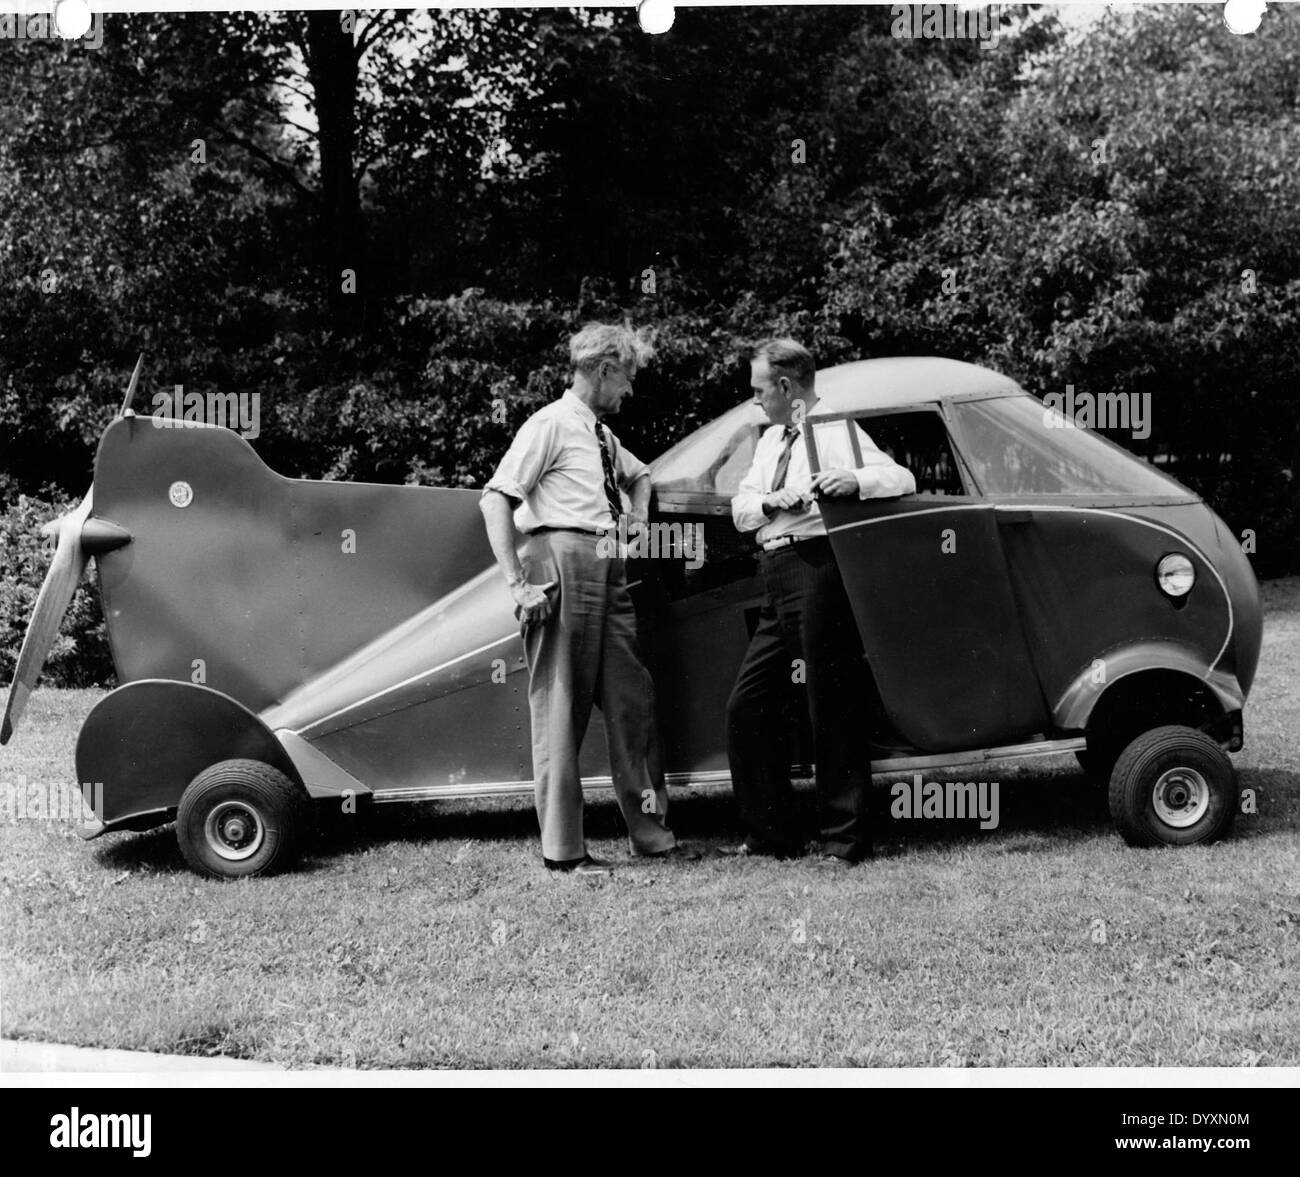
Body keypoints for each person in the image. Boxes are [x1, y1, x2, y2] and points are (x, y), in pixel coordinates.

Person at [479, 323, 688, 875]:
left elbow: (641, 477)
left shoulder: (599, 434)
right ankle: (565, 854)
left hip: (608, 567)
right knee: (560, 710)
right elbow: (495, 500)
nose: (631, 390)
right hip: (560, 560)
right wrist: (518, 584)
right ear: (604, 369)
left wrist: (638, 514)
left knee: (633, 703)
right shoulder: (549, 424)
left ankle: (654, 836)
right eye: (629, 378)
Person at [724, 339, 915, 866]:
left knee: (829, 703)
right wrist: (769, 500)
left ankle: (845, 842)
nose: (755, 400)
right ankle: (772, 835)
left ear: (787, 387)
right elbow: (741, 509)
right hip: (776, 573)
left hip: (818, 569)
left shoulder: (836, 430)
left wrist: (853, 479)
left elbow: (900, 477)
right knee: (748, 705)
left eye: (759, 390)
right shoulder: (768, 442)